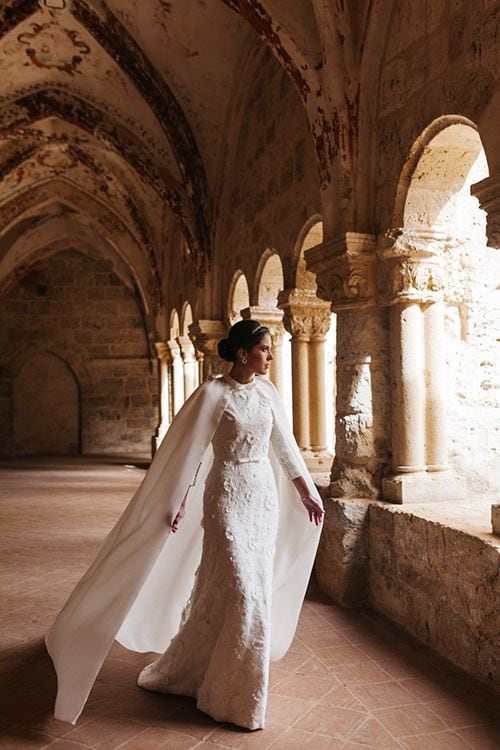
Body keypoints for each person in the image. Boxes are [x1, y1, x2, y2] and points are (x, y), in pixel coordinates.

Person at [45, 319, 324, 730]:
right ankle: (235, 695)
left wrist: (306, 490)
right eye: (265, 348)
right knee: (240, 585)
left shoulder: (267, 394)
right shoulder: (212, 393)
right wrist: (176, 502)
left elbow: (284, 447)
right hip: (227, 492)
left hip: (262, 496)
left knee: (243, 586)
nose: (271, 355)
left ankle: (222, 678)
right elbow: (188, 455)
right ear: (244, 353)